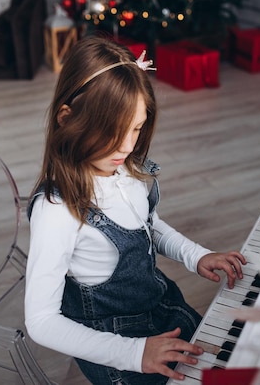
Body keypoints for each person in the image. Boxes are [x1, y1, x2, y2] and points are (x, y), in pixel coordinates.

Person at [25, 35, 246, 385]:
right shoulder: (57, 210)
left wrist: (196, 255)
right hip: (115, 343)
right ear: (67, 119)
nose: (128, 147)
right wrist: (134, 354)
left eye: (137, 128)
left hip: (160, 305)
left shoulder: (123, 168)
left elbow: (148, 226)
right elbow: (41, 321)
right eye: (114, 132)